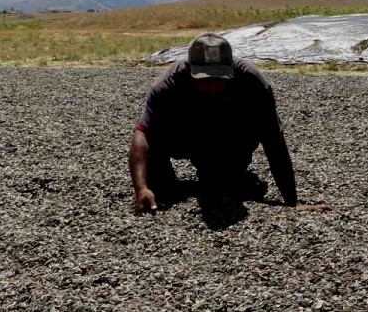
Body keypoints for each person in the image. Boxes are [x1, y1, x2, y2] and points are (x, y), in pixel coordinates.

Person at [128, 33, 317, 215]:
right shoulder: (167, 85)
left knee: (222, 184)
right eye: (204, 80)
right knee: (161, 186)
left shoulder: (253, 83)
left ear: (231, 70)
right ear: (190, 69)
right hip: (185, 136)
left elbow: (274, 141)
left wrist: (291, 202)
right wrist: (141, 187)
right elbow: (142, 133)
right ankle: (162, 185)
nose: (212, 86)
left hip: (229, 138)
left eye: (219, 78)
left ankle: (223, 171)